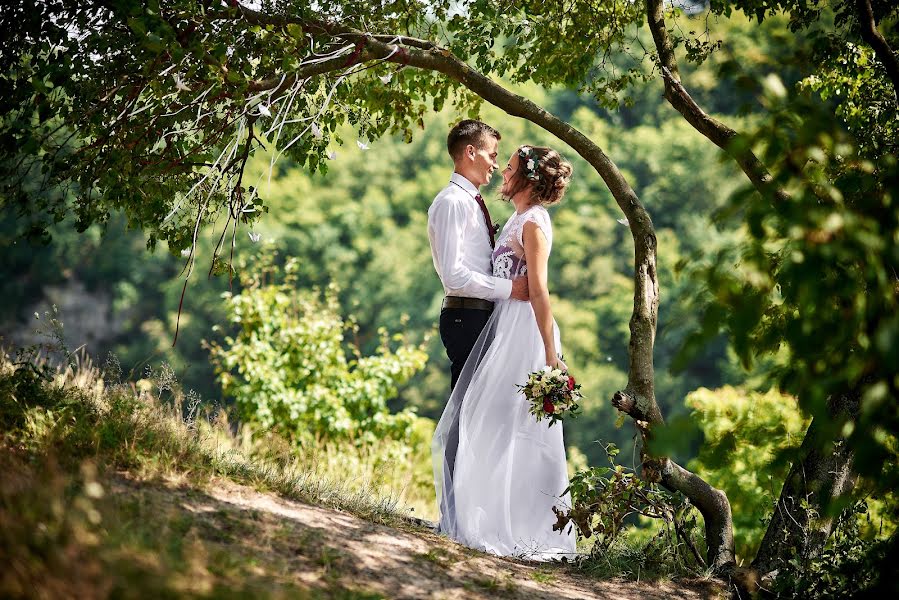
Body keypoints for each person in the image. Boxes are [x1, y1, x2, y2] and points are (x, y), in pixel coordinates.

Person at [432, 143, 577, 561]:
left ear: (527, 179)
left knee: (511, 425)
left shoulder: (533, 222)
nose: (501, 172)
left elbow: (539, 290)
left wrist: (551, 353)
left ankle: (525, 526)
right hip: (502, 328)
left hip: (523, 333)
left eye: (509, 167)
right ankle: (481, 517)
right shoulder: (517, 218)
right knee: (486, 420)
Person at [427, 119, 530, 391]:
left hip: (478, 315)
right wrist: (511, 288)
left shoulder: (468, 200)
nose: (496, 165)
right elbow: (454, 275)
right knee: (466, 411)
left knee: (479, 412)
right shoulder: (453, 202)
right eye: (492, 155)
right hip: (466, 317)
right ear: (471, 152)